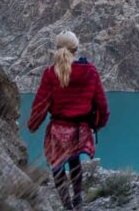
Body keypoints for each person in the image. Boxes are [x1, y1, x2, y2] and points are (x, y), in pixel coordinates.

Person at [28, 31, 109, 210]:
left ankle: (67, 206)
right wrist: (101, 123)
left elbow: (41, 103)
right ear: (76, 48)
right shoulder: (90, 71)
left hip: (59, 129)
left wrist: (33, 125)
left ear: (57, 49)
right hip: (81, 130)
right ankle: (78, 198)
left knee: (57, 167)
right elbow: (101, 102)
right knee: (74, 160)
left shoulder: (50, 73)